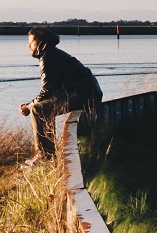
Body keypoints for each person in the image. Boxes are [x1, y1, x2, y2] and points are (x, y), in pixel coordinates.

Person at [20, 26, 102, 159]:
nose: (28, 45)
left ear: (40, 42)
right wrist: (31, 103)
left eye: (31, 42)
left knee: (38, 110)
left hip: (84, 96)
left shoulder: (48, 57)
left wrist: (29, 106)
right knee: (41, 108)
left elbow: (48, 90)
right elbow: (53, 90)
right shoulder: (52, 53)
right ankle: (48, 154)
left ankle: (45, 156)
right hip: (87, 94)